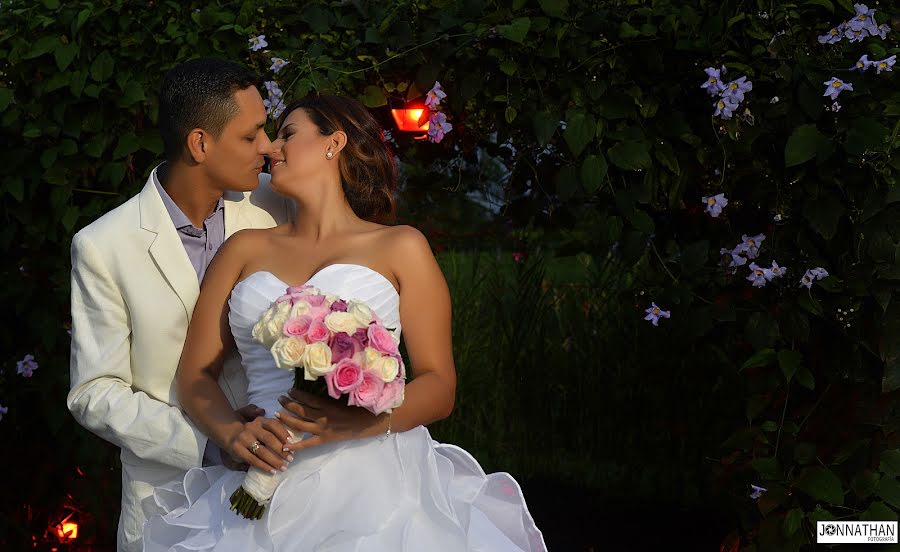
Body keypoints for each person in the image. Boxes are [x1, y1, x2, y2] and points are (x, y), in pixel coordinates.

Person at [142, 95, 546, 551]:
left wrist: (355, 424)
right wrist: (235, 435)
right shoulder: (242, 249)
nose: (272, 148)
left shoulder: (401, 246)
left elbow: (439, 384)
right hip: (269, 470)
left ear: (335, 143)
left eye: (288, 134)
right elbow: (195, 373)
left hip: (377, 483)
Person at [67, 58, 294, 552]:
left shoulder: (274, 207)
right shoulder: (104, 245)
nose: (268, 147)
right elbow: (94, 391)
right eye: (251, 134)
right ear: (200, 143)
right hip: (168, 498)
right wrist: (217, 441)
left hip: (285, 490)